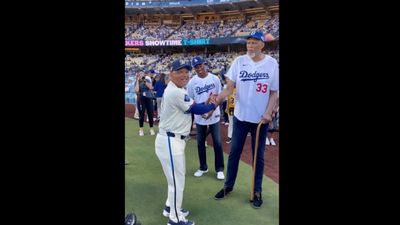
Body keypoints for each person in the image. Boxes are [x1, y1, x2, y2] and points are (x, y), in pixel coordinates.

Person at [212, 31, 279, 208]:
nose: (250, 46)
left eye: (254, 43)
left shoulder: (271, 64)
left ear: (262, 45)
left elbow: (274, 93)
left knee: (259, 158)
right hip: (241, 118)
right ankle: (228, 186)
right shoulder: (239, 61)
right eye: (248, 43)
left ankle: (256, 191)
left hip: (260, 121)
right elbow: (229, 88)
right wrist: (217, 99)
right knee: (234, 154)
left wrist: (268, 112)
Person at [155, 60, 217, 225]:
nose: (184, 75)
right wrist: (213, 103)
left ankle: (170, 207)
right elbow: (197, 109)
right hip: (170, 140)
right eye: (179, 72)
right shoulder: (175, 92)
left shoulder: (177, 89)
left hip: (171, 140)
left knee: (173, 181)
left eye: (186, 72)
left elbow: (195, 106)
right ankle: (174, 219)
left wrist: (208, 104)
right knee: (177, 182)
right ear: (171, 74)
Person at [187, 56, 225, 180]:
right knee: (200, 143)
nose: (199, 68)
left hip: (214, 114)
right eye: (196, 67)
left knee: (217, 142)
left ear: (204, 64)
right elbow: (191, 101)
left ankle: (219, 169)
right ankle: (203, 167)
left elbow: (220, 97)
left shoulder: (214, 78)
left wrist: (211, 110)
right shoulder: (192, 82)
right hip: (200, 116)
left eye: (200, 65)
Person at [135, 71, 156, 136]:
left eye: (142, 74)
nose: (141, 75)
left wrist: (144, 81)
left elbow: (151, 87)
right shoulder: (137, 82)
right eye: (140, 74)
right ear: (138, 75)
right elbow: (137, 90)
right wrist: (138, 81)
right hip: (141, 99)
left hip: (148, 98)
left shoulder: (147, 80)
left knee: (150, 113)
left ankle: (151, 128)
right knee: (141, 114)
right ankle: (141, 129)